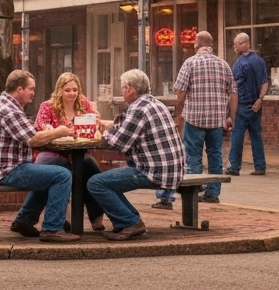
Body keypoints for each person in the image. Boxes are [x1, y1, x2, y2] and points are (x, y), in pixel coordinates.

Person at [0, 69, 78, 242]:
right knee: (62, 175)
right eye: (31, 89)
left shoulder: (3, 105)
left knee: (49, 173)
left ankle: (24, 220)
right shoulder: (9, 110)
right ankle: (52, 229)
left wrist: (49, 132)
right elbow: (34, 139)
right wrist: (59, 132)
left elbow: (29, 132)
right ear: (19, 89)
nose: (33, 93)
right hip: (4, 170)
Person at [87, 69, 183, 241]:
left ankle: (130, 222)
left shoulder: (138, 109)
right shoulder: (153, 103)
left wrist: (102, 132)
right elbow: (126, 128)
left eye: (122, 88)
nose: (122, 93)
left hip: (153, 171)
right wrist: (109, 126)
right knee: (107, 180)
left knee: (96, 183)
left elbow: (118, 143)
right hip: (170, 169)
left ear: (129, 88)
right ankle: (129, 221)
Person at [156, 31, 235, 207]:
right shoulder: (224, 65)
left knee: (193, 156)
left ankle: (194, 189)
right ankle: (213, 193)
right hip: (216, 120)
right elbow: (233, 94)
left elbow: (180, 95)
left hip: (194, 119)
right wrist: (231, 116)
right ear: (212, 46)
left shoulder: (189, 63)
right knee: (215, 155)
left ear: (195, 46)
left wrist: (180, 100)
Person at [31, 72, 106, 232]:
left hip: (77, 152)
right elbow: (41, 128)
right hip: (52, 151)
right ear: (59, 91)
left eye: (75, 90)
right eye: (67, 90)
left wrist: (97, 123)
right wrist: (54, 130)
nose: (72, 93)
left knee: (90, 169)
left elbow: (94, 125)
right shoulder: (47, 106)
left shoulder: (84, 104)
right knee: (55, 171)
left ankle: (96, 217)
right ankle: (59, 218)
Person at [226, 32, 269, 176]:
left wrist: (231, 112)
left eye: (237, 44)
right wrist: (260, 100)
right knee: (256, 136)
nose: (235, 47)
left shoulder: (239, 64)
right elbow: (265, 83)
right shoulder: (260, 61)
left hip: (243, 105)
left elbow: (234, 89)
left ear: (245, 44)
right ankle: (260, 166)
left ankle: (234, 166)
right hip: (256, 106)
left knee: (237, 137)